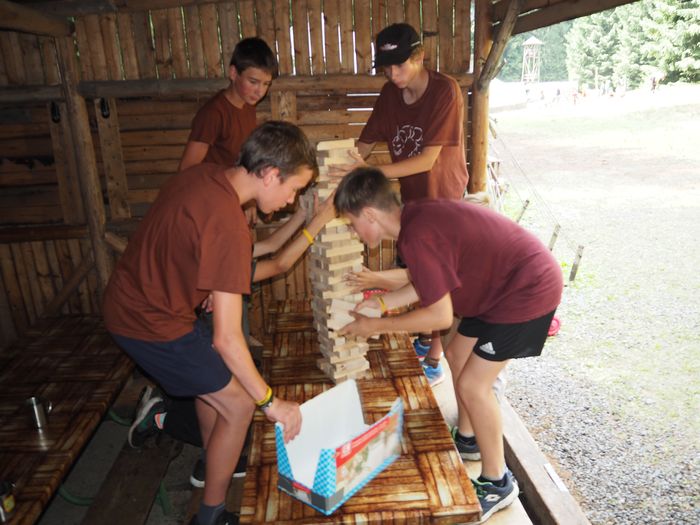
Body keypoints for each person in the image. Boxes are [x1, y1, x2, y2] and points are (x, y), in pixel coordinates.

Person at [104, 121, 317, 525]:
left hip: (133, 300)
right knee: (239, 404)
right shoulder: (229, 225)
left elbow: (179, 244)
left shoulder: (205, 176)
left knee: (213, 383)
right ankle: (211, 516)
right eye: (294, 189)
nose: (291, 200)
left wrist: (199, 285)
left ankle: (213, 455)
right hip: (150, 322)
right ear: (271, 174)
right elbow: (228, 340)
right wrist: (272, 403)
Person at [333, 168, 563, 522]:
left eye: (352, 224)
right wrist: (379, 304)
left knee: (474, 385)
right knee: (455, 353)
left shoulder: (416, 236)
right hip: (498, 285)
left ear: (370, 215)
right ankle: (468, 438)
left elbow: (439, 316)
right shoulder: (414, 219)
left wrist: (376, 325)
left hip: (527, 288)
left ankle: (498, 481)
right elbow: (426, 281)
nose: (353, 232)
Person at [128, 189, 337, 488]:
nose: (252, 222)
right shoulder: (224, 247)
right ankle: (163, 419)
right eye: (247, 217)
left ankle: (210, 456)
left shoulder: (228, 243)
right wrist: (318, 222)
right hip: (192, 332)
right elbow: (279, 263)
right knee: (233, 411)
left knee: (226, 402)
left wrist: (305, 214)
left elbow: (272, 244)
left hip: (196, 331)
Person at [334, 23, 469, 386]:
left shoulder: (444, 91)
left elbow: (426, 160)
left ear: (420, 56)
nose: (393, 75)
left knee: (438, 280)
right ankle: (425, 340)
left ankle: (435, 357)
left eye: (400, 65)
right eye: (387, 67)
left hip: (443, 199)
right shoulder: (389, 96)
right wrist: (339, 175)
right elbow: (361, 147)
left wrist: (366, 172)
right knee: (419, 273)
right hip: (412, 198)